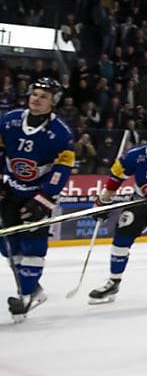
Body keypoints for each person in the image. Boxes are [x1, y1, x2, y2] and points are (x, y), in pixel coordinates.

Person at [0, 78, 75, 321]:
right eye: (35, 93)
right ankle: (34, 289)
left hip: (38, 195)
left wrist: (44, 199)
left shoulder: (61, 133)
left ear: (53, 102)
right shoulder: (9, 120)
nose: (36, 98)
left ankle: (26, 296)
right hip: (10, 191)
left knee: (33, 246)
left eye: (44, 96)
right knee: (8, 246)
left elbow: (62, 169)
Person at [88, 121, 147, 304]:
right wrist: (103, 201)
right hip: (142, 198)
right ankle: (114, 281)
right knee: (122, 233)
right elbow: (115, 179)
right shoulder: (135, 156)